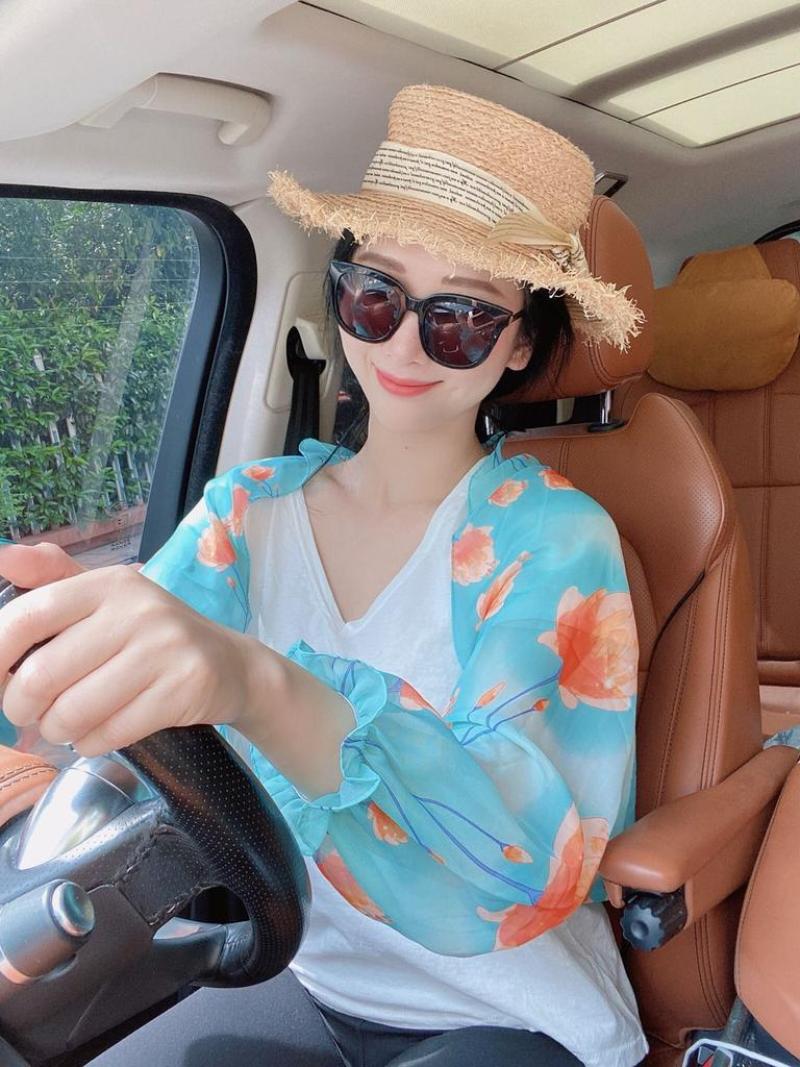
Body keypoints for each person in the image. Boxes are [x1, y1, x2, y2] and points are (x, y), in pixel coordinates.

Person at [0, 85, 647, 1066]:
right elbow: (124, 706)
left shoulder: (558, 539)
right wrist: (48, 649)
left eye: (462, 317)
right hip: (294, 966)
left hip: (506, 1010)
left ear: (519, 341)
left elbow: (525, 871)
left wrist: (262, 687)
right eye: (376, 294)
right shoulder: (247, 511)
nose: (403, 343)